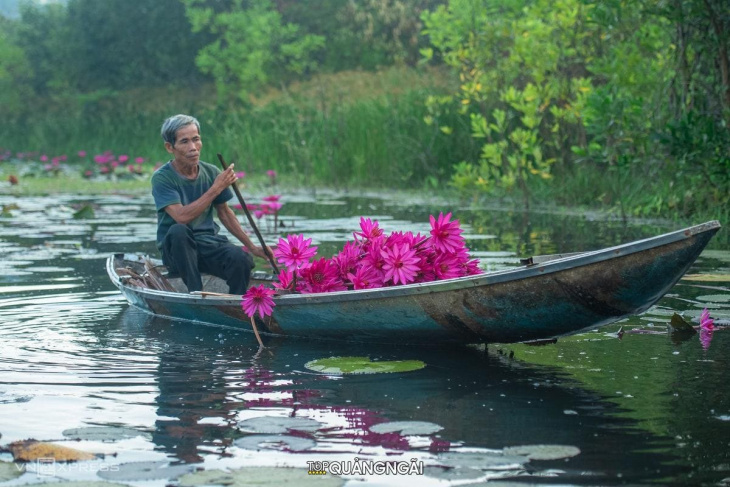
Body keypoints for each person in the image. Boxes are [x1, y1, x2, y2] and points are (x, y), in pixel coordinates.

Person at [152, 114, 271, 295]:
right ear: (170, 147)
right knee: (179, 231)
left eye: (196, 139)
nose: (193, 148)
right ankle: (196, 293)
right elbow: (181, 217)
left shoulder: (211, 172)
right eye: (184, 142)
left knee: (241, 258)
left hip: (207, 246)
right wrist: (216, 188)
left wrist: (252, 246)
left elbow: (225, 213)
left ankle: (237, 304)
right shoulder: (162, 177)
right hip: (177, 253)